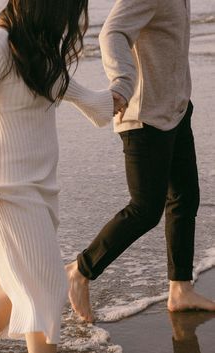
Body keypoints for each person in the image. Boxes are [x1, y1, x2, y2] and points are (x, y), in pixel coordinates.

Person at [66, 0, 215, 323]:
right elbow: (112, 32)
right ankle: (81, 270)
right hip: (144, 118)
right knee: (145, 209)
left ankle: (180, 289)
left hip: (175, 109)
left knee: (185, 198)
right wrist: (122, 81)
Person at [0, 1, 115, 352]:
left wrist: (124, 90)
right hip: (6, 195)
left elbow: (92, 101)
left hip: (41, 193)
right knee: (47, 289)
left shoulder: (36, 50)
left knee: (12, 293)